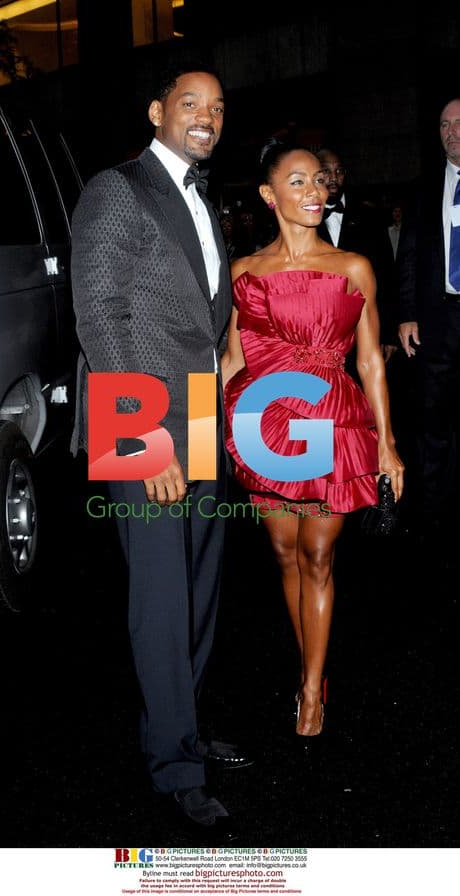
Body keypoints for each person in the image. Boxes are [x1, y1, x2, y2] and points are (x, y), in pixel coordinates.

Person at [70, 65, 249, 834]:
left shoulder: (201, 197)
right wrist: (144, 437)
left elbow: (204, 307)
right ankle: (176, 766)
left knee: (199, 586)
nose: (205, 117)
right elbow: (100, 315)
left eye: (215, 107)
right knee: (159, 595)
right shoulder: (117, 189)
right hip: (136, 415)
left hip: (199, 412)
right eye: (189, 103)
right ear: (157, 112)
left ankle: (180, 723)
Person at [222, 140, 404, 737]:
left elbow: (372, 360)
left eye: (320, 183)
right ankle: (312, 664)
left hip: (330, 417)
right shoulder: (242, 274)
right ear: (269, 196)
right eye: (297, 183)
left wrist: (387, 443)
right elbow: (231, 360)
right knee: (283, 553)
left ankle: (309, 690)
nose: (315, 193)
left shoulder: (354, 267)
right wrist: (197, 439)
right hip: (262, 420)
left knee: (318, 555)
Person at [397, 97, 460, 539]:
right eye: (444, 125)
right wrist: (405, 314)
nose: (451, 131)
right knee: (432, 418)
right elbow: (409, 256)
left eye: (459, 123)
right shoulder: (424, 188)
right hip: (437, 322)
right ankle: (435, 514)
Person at [316, 148, 397, 363]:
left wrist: (388, 333)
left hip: (364, 328)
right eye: (326, 171)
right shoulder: (303, 218)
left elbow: (387, 275)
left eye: (339, 171)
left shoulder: (370, 217)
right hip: (318, 333)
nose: (333, 177)